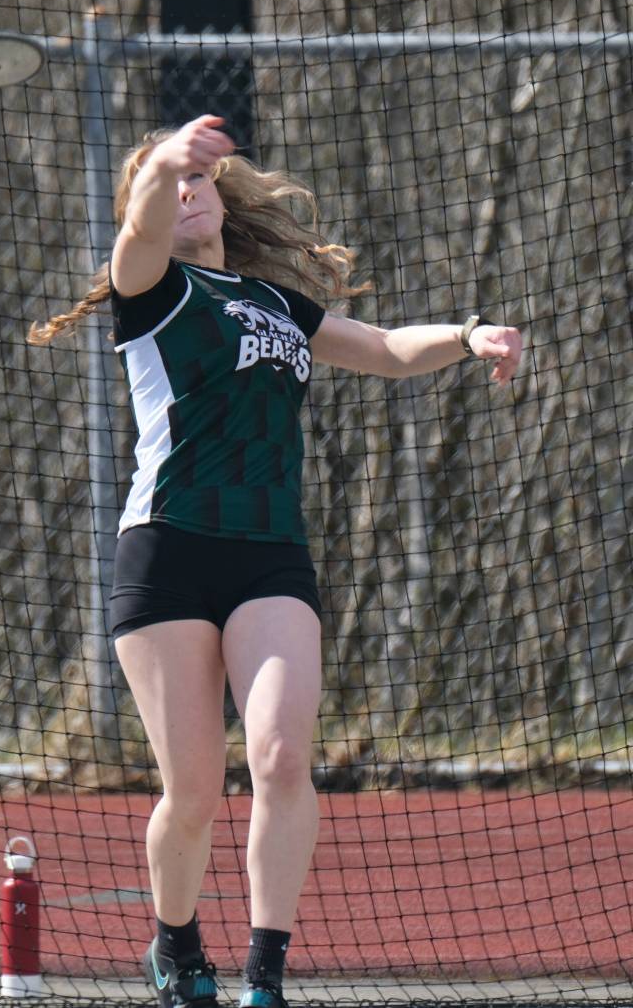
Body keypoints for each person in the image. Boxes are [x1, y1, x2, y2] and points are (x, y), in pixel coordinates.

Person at [30, 114, 522, 1008]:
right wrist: (166, 160)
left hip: (269, 557)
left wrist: (466, 335)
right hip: (169, 550)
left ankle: (264, 975)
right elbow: (139, 229)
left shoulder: (278, 304)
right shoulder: (151, 287)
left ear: (220, 197)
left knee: (284, 754)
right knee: (193, 790)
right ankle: (177, 947)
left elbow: (378, 350)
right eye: (165, 181)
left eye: (195, 180)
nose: (183, 191)